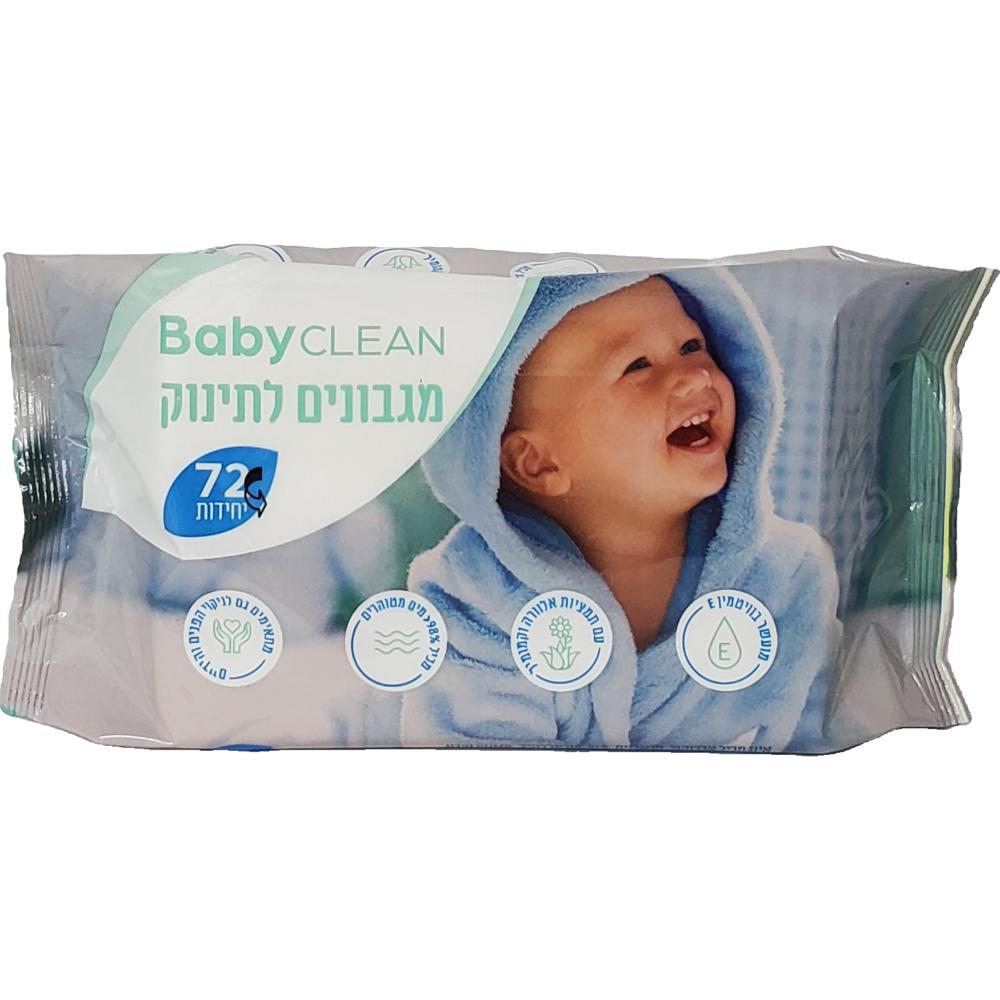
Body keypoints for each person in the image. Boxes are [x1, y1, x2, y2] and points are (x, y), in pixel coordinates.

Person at [402, 270, 840, 751]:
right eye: (637, 365)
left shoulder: (786, 575)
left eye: (692, 346)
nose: (695, 375)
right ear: (538, 462)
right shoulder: (477, 595)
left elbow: (815, 733)